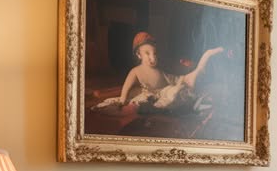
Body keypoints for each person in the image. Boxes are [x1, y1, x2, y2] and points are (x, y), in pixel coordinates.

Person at [95, 31, 223, 114]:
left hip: (165, 91)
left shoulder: (159, 71)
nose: (153, 57)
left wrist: (183, 77)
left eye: (154, 53)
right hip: (152, 96)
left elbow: (172, 79)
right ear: (138, 55)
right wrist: (122, 100)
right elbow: (125, 91)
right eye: (147, 53)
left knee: (177, 90)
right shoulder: (136, 71)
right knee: (150, 101)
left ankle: (203, 61)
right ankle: (199, 68)